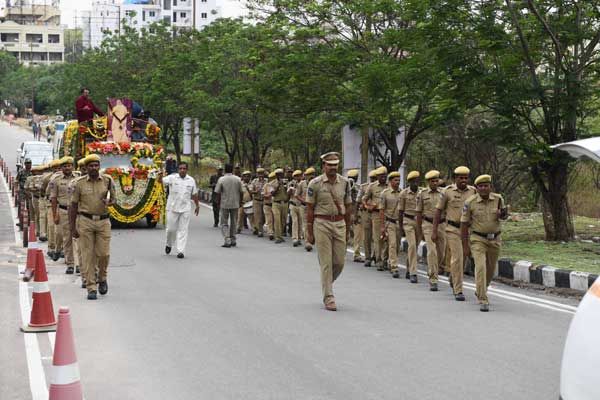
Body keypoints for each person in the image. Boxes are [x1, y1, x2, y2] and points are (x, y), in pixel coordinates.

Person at [306, 152, 352, 311]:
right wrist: (309, 231)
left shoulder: (345, 183)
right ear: (323, 166)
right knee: (326, 262)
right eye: (330, 165)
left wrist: (348, 228)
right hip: (322, 223)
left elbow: (349, 207)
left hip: (339, 223)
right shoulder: (315, 183)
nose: (333, 168)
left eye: (335, 165)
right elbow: (310, 208)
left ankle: (326, 283)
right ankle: (329, 297)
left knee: (339, 262)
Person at [69, 154, 116, 300]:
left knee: (104, 254)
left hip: (103, 221)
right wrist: (72, 228)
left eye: (96, 165)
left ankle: (102, 277)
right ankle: (91, 287)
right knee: (87, 256)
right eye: (91, 166)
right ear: (86, 168)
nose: (94, 168)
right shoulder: (79, 183)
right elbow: (73, 206)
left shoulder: (107, 180)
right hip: (85, 221)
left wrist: (109, 202)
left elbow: (114, 199)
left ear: (99, 166)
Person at [461, 174, 508, 312]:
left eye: (486, 186)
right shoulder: (470, 202)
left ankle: (481, 289)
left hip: (495, 239)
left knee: (490, 269)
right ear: (476, 188)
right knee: (480, 267)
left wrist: (503, 214)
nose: (483, 188)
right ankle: (483, 298)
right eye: (480, 186)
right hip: (477, 239)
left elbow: (503, 217)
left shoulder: (498, 199)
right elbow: (464, 224)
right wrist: (465, 246)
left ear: (490, 187)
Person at [433, 166, 476, 301]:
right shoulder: (447, 192)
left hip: (468, 230)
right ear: (454, 178)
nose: (463, 180)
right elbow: (438, 211)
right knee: (457, 257)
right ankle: (458, 289)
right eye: (460, 178)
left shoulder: (473, 191)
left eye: (465, 178)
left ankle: (453, 275)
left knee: (464, 256)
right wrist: (434, 230)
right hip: (452, 229)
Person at [415, 170, 447, 291]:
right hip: (428, 224)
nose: (435, 183)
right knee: (432, 251)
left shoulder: (444, 193)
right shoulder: (422, 194)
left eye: (436, 180)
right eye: (432, 181)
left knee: (441, 253)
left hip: (442, 225)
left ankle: (434, 269)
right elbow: (418, 212)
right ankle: (433, 278)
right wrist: (419, 230)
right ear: (428, 182)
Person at [161, 162, 199, 259]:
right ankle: (169, 244)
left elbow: (194, 194)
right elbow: (160, 181)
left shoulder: (191, 180)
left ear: (187, 170)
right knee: (170, 229)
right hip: (172, 208)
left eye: (184, 168)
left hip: (185, 209)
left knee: (183, 230)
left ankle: (181, 251)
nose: (182, 170)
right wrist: (159, 174)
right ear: (178, 169)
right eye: (180, 168)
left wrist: (197, 205)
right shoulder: (172, 178)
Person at [50, 156, 79, 274]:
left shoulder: (78, 178)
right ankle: (70, 263)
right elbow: (53, 198)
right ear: (61, 168)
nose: (68, 168)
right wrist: (54, 214)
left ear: (72, 166)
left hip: (77, 211)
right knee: (67, 238)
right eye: (65, 166)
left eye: (69, 165)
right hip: (63, 211)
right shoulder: (56, 180)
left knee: (77, 238)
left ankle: (78, 264)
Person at [363, 167, 388, 270]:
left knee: (387, 239)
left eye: (385, 176)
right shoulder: (372, 187)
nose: (384, 177)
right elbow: (364, 199)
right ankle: (378, 260)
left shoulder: (389, 186)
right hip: (376, 214)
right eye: (381, 176)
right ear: (377, 177)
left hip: (388, 215)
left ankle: (384, 259)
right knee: (377, 238)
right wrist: (368, 206)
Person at [379, 171, 402, 278]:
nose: (398, 182)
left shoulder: (402, 193)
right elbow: (382, 210)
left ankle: (386, 260)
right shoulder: (385, 193)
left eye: (399, 180)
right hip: (390, 222)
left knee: (396, 245)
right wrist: (382, 226)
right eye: (395, 180)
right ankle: (394, 266)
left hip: (399, 222)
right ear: (390, 181)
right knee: (392, 243)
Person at [399, 171, 421, 282]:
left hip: (419, 222)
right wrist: (400, 227)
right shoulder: (403, 194)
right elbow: (400, 211)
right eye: (413, 181)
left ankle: (408, 268)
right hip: (407, 221)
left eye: (417, 181)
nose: (416, 183)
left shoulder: (422, 193)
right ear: (409, 182)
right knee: (411, 245)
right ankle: (413, 272)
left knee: (415, 247)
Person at [215, 164, 243, 248]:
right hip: (235, 203)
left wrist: (218, 202)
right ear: (232, 170)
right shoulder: (238, 179)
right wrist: (240, 202)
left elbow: (218, 192)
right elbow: (242, 192)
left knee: (224, 222)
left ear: (225, 170)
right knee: (234, 222)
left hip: (224, 204)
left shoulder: (221, 179)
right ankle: (233, 239)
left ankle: (227, 239)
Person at [358, 170, 378, 265]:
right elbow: (360, 200)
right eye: (372, 178)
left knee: (377, 236)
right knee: (367, 236)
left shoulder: (383, 187)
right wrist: (365, 206)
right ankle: (368, 257)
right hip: (366, 213)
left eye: (375, 178)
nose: (373, 180)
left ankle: (376, 255)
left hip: (377, 213)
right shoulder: (364, 187)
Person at [296, 167, 315, 251]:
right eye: (309, 175)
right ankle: (307, 242)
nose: (311, 177)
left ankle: (312, 239)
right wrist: (303, 201)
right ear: (306, 176)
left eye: (312, 175)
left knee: (314, 224)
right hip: (304, 207)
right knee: (305, 224)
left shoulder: (317, 183)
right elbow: (297, 195)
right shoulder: (301, 184)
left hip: (314, 207)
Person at [346, 169, 362, 262]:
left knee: (357, 234)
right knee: (346, 233)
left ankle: (356, 254)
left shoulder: (358, 187)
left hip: (354, 212)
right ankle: (355, 254)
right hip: (348, 212)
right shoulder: (344, 186)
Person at [270, 168, 288, 244]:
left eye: (281, 174)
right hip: (276, 203)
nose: (280, 175)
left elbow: (288, 192)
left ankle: (280, 235)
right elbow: (272, 193)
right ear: (276, 175)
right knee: (277, 220)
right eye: (278, 174)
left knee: (283, 220)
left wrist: (286, 187)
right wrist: (278, 186)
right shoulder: (272, 183)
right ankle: (278, 237)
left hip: (285, 203)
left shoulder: (286, 182)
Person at [249, 168, 267, 237]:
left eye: (262, 173)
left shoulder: (267, 181)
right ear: (257, 174)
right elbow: (250, 190)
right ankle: (260, 230)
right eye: (259, 173)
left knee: (264, 216)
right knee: (258, 216)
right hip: (257, 200)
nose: (261, 175)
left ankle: (260, 227)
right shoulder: (254, 181)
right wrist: (255, 191)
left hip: (265, 200)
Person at [288, 170, 304, 247]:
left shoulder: (304, 184)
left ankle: (299, 237)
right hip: (293, 204)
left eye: (299, 175)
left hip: (300, 205)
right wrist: (291, 189)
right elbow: (288, 194)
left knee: (300, 222)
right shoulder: (291, 183)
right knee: (295, 221)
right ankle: (295, 238)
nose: (298, 177)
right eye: (296, 176)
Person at [263, 172, 276, 240]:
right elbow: (263, 195)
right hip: (267, 204)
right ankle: (270, 233)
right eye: (272, 178)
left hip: (274, 204)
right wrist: (269, 195)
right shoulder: (266, 186)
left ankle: (275, 231)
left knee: (275, 219)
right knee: (269, 219)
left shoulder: (277, 185)